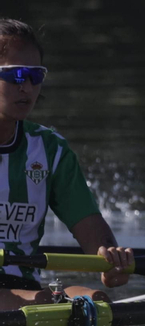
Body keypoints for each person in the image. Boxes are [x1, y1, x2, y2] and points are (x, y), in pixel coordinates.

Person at [0, 18, 132, 308]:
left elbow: (94, 238)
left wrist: (111, 263)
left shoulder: (50, 150)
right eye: (18, 75)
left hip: (26, 290)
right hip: (24, 301)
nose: (28, 87)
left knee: (96, 302)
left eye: (37, 76)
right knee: (44, 304)